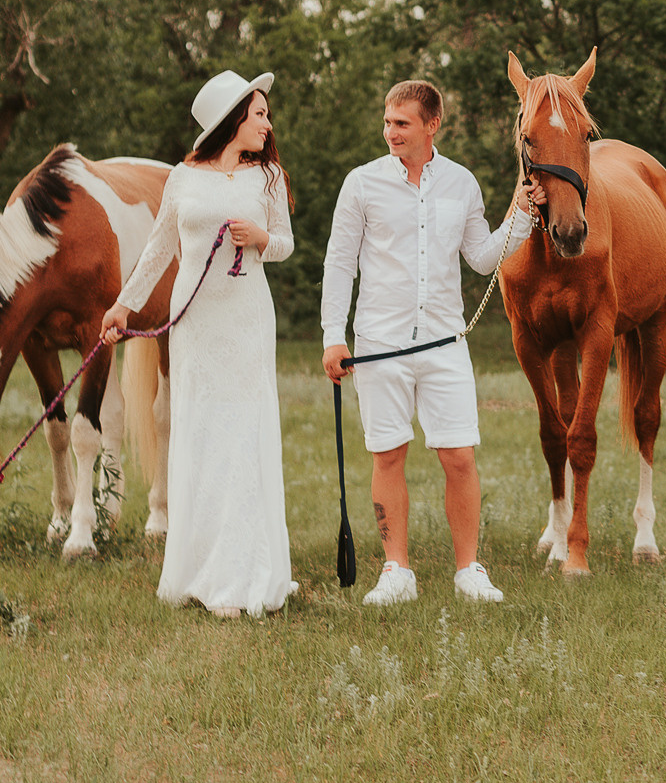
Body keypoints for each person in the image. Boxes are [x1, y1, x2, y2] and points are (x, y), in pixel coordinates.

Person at [322, 79, 541, 606]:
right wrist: (334, 336)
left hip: (445, 344)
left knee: (459, 456)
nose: (390, 132)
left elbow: (484, 258)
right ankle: (396, 570)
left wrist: (524, 214)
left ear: (432, 124)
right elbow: (339, 262)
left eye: (401, 123)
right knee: (388, 455)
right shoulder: (361, 183)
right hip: (378, 343)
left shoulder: (462, 183)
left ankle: (469, 569)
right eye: (387, 122)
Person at [101, 70, 297, 619]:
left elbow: (284, 244)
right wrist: (123, 306)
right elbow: (159, 250)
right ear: (233, 118)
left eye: (265, 114)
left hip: (246, 318)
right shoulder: (183, 179)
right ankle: (195, 569)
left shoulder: (269, 178)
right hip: (195, 325)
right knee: (201, 431)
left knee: (242, 432)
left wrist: (262, 240)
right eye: (259, 113)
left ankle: (245, 573)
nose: (267, 122)